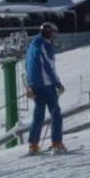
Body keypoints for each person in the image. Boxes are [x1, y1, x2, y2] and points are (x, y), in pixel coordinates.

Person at [24, 22, 67, 154]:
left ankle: (33, 145)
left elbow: (27, 64)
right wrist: (58, 83)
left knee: (38, 116)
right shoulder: (44, 45)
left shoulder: (32, 45)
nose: (55, 36)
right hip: (46, 85)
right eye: (54, 33)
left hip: (35, 85)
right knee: (56, 113)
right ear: (49, 33)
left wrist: (29, 85)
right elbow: (49, 67)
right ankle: (57, 144)